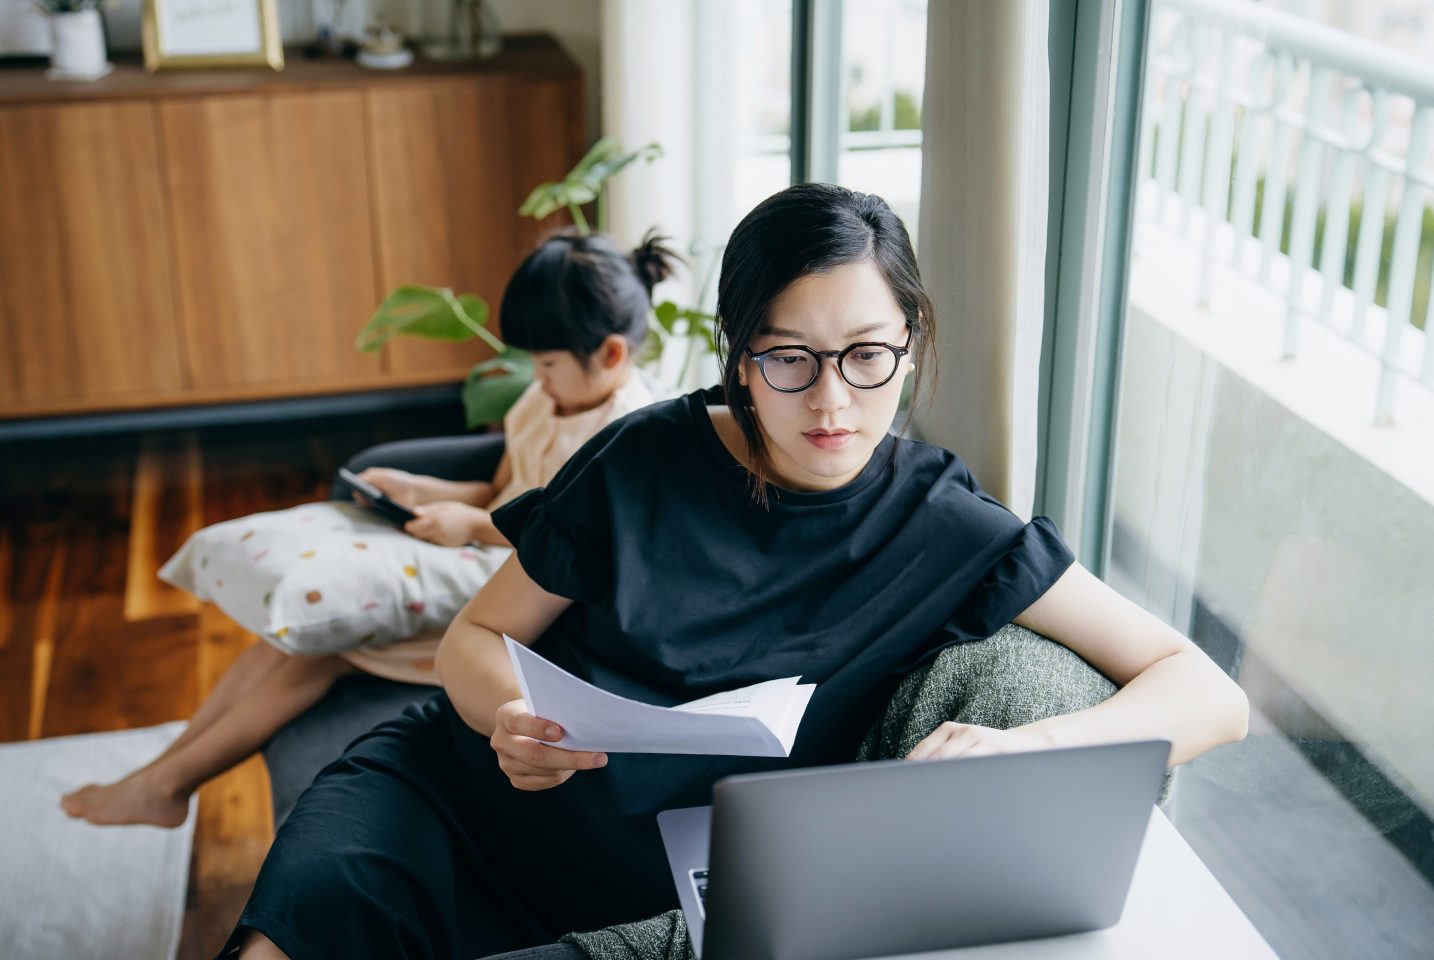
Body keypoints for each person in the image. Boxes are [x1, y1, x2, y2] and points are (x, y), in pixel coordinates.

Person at [223, 184, 1249, 960]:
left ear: (910, 341)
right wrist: (507, 720)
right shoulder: (644, 460)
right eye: (786, 357)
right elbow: (475, 638)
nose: (831, 402)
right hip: (464, 800)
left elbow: (1210, 693)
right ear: (738, 355)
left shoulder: (942, 524)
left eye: (866, 355)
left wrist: (1034, 749)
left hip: (656, 886)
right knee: (295, 928)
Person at [58, 230, 677, 830]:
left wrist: (473, 527)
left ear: (612, 355)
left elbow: (572, 548)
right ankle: (160, 775)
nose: (535, 377)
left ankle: (166, 786)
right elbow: (498, 491)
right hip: (474, 553)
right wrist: (416, 490)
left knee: (316, 653)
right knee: (284, 641)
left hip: (521, 600)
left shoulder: (622, 439)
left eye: (545, 363)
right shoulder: (546, 401)